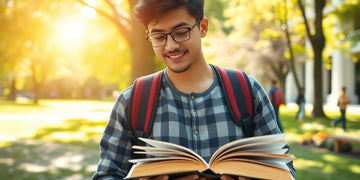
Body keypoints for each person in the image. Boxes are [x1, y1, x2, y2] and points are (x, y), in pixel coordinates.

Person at [92, 0, 295, 179]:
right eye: (158, 36)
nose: (170, 46)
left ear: (203, 27)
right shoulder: (133, 101)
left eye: (181, 33)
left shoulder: (247, 91)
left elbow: (284, 170)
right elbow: (107, 174)